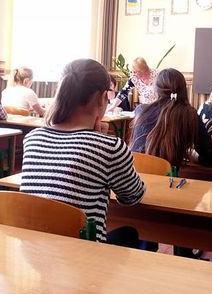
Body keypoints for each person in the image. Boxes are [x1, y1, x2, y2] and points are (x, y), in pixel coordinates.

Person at [20, 59, 145, 247]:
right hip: (81, 254)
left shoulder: (33, 138)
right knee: (129, 233)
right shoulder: (110, 147)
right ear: (102, 97)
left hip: (33, 250)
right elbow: (133, 196)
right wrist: (100, 141)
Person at [131, 68, 212, 169]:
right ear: (184, 90)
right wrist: (192, 156)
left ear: (156, 90)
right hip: (168, 177)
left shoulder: (141, 110)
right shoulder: (189, 115)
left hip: (136, 174)